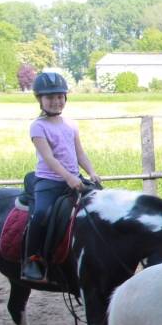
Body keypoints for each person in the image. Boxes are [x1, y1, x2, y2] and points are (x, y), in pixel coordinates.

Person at [22, 72, 101, 283]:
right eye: (50, 98)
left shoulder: (70, 124)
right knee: (41, 214)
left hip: (74, 177)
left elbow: (79, 153)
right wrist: (68, 178)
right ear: (40, 100)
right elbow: (49, 158)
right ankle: (33, 259)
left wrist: (91, 172)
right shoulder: (38, 126)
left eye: (59, 97)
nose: (56, 102)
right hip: (49, 181)